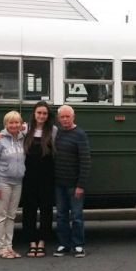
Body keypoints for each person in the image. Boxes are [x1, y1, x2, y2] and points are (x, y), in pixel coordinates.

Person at [53, 104, 91, 258]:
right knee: (61, 215)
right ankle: (64, 244)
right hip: (59, 183)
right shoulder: (57, 134)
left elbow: (85, 161)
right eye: (62, 117)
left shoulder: (80, 134)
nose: (65, 119)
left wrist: (80, 185)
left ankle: (78, 245)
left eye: (68, 116)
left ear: (73, 117)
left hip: (74, 184)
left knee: (76, 216)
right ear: (58, 119)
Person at [21, 102, 57, 257]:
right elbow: (9, 132)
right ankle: (31, 242)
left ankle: (42, 241)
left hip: (47, 176)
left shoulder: (53, 131)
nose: (41, 116)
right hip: (29, 176)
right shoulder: (26, 129)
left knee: (46, 210)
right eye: (39, 113)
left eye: (44, 113)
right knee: (29, 209)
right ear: (34, 114)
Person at [0, 111, 26, 259]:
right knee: (1, 216)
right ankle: (1, 247)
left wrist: (25, 126)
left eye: (17, 122)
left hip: (17, 182)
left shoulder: (22, 139)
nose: (14, 125)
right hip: (3, 182)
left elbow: (36, 125)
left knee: (11, 216)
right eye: (11, 122)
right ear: (6, 124)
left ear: (21, 124)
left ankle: (9, 247)